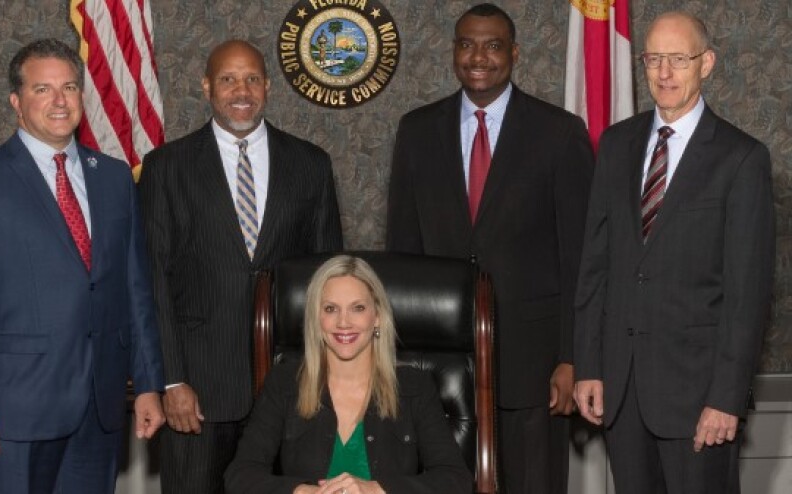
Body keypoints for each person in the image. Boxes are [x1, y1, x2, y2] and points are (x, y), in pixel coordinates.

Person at [0, 38, 165, 494]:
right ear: (16, 102)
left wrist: (149, 383)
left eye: (70, 87)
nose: (59, 101)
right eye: (43, 89)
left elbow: (135, 289)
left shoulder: (115, 178)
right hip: (13, 409)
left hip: (99, 406)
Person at [385, 4, 594, 493]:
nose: (479, 56)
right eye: (466, 44)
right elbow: (403, 258)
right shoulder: (417, 131)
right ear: (454, 52)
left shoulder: (560, 134)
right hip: (441, 364)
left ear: (515, 53)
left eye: (493, 45)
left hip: (535, 365)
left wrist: (572, 357)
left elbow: (581, 261)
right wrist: (399, 363)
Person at [573, 11, 775, 494]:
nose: (664, 73)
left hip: (699, 399)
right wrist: (590, 365)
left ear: (706, 64)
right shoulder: (617, 145)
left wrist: (726, 398)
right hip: (622, 391)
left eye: (678, 60)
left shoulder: (741, 158)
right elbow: (595, 266)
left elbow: (747, 294)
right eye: (654, 59)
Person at [138, 39, 343, 493]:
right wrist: (170, 380)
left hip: (293, 387)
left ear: (268, 86)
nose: (241, 90)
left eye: (252, 78)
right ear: (207, 86)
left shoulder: (311, 164)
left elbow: (332, 285)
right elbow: (151, 281)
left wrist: (331, 378)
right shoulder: (166, 167)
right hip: (198, 388)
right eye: (228, 79)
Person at [224, 255, 472, 493]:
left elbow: (455, 480)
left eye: (358, 308)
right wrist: (303, 492)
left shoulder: (413, 388)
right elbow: (240, 476)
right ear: (316, 318)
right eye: (331, 309)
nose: (344, 322)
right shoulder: (284, 383)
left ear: (377, 317)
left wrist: (376, 490)